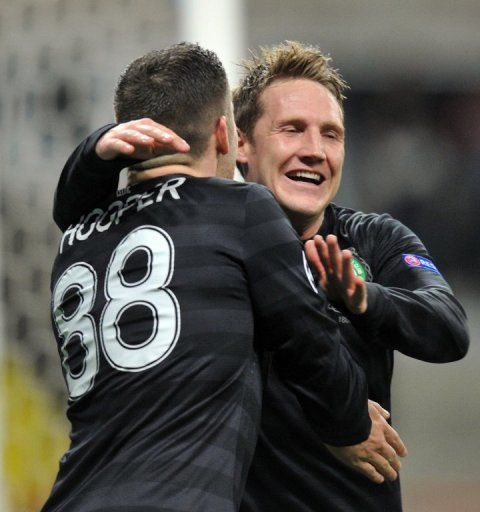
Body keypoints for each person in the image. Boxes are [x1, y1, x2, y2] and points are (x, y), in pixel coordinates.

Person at [51, 41, 469, 512]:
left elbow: (448, 328)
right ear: (238, 141)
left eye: (331, 135)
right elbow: (76, 215)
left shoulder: (371, 239)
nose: (314, 151)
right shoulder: (203, 231)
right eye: (292, 130)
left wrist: (363, 299)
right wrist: (98, 149)